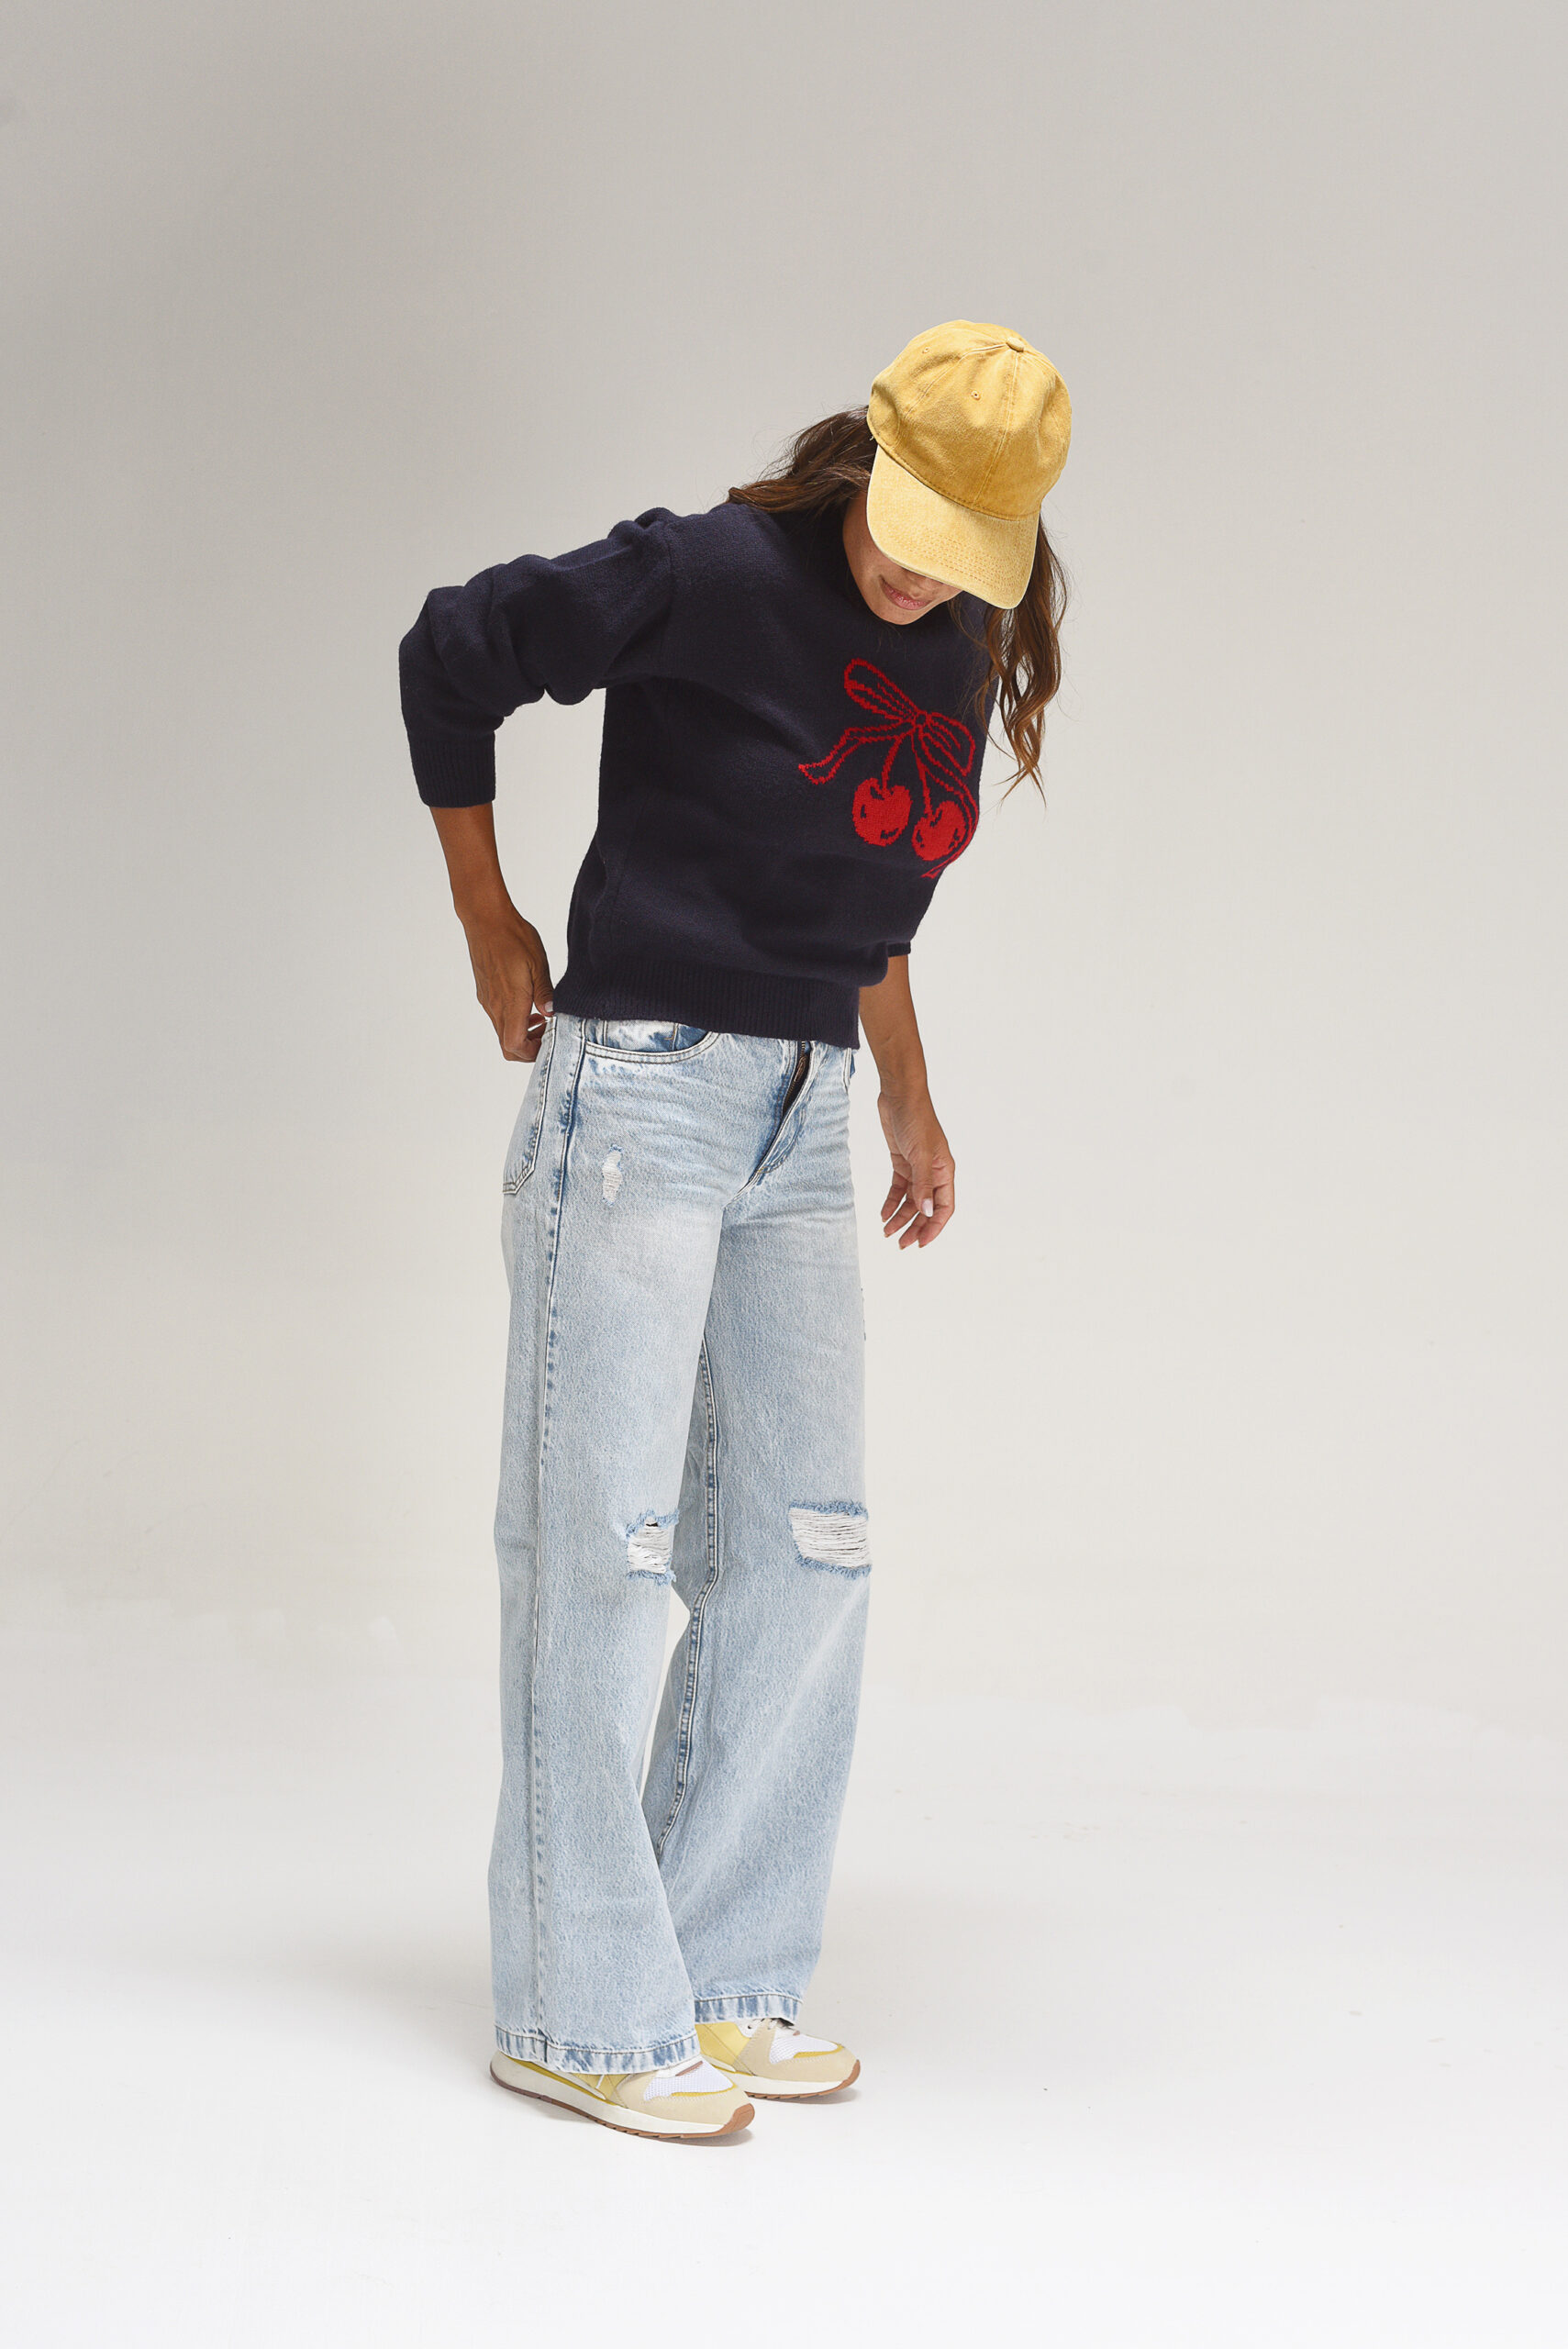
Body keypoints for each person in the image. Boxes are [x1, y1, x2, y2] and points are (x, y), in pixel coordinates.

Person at [399, 320, 1071, 2141]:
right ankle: (577, 2010)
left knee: (807, 1548)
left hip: (803, 1112)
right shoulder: (705, 571)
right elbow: (452, 649)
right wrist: (487, 915)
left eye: (964, 548)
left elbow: (864, 898)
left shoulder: (960, 640)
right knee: (604, 1549)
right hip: (640, 1094)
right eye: (908, 523)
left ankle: (721, 1973)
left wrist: (907, 1092)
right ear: (870, 456)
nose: (919, 570)